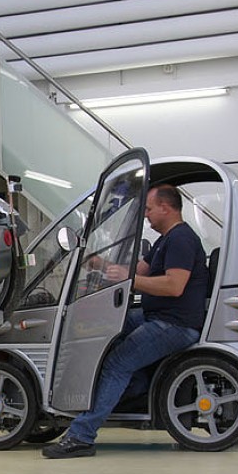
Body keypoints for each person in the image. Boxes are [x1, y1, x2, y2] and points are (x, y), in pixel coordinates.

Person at [43, 184, 208, 459]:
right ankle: (132, 389)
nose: (146, 215)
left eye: (149, 209)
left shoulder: (181, 239)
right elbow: (134, 271)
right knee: (104, 328)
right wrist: (97, 263)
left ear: (166, 207)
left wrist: (128, 280)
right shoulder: (165, 240)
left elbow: (174, 286)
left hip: (174, 325)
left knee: (117, 363)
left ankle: (81, 436)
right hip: (155, 316)